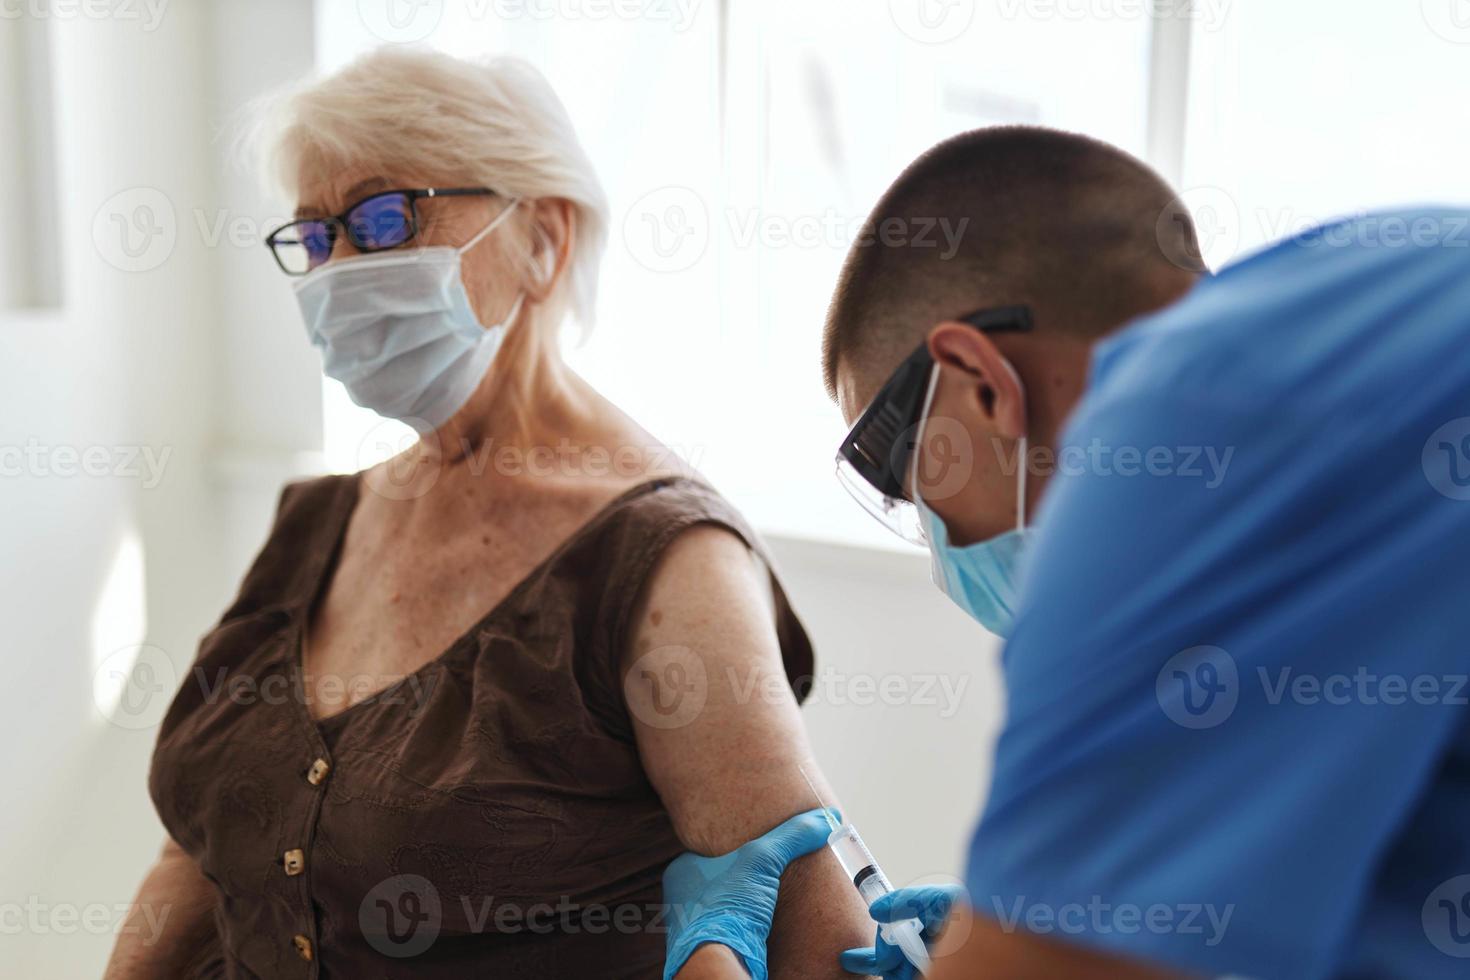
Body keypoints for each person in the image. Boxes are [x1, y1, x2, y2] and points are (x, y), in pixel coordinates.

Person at [104, 47, 872, 979]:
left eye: (385, 218)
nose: (338, 270)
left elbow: (813, 929)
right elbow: (195, 854)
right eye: (313, 237)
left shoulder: (667, 565)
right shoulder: (317, 523)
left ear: (542, 239)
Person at [661, 125, 1470, 979]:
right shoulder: (1364, 300)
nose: (937, 540)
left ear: (980, 381)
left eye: (911, 483)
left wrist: (709, 959)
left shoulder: (1168, 450)